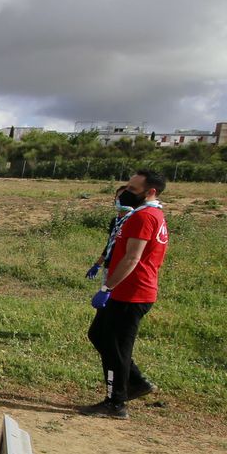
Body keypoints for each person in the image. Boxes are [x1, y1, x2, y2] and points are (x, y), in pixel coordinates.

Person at [82, 170, 169, 419]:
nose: (127, 192)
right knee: (99, 335)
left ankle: (115, 403)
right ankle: (136, 382)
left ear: (150, 191)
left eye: (133, 188)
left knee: (117, 347)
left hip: (132, 293)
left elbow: (133, 258)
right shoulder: (147, 215)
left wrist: (107, 288)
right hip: (127, 291)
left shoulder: (144, 218)